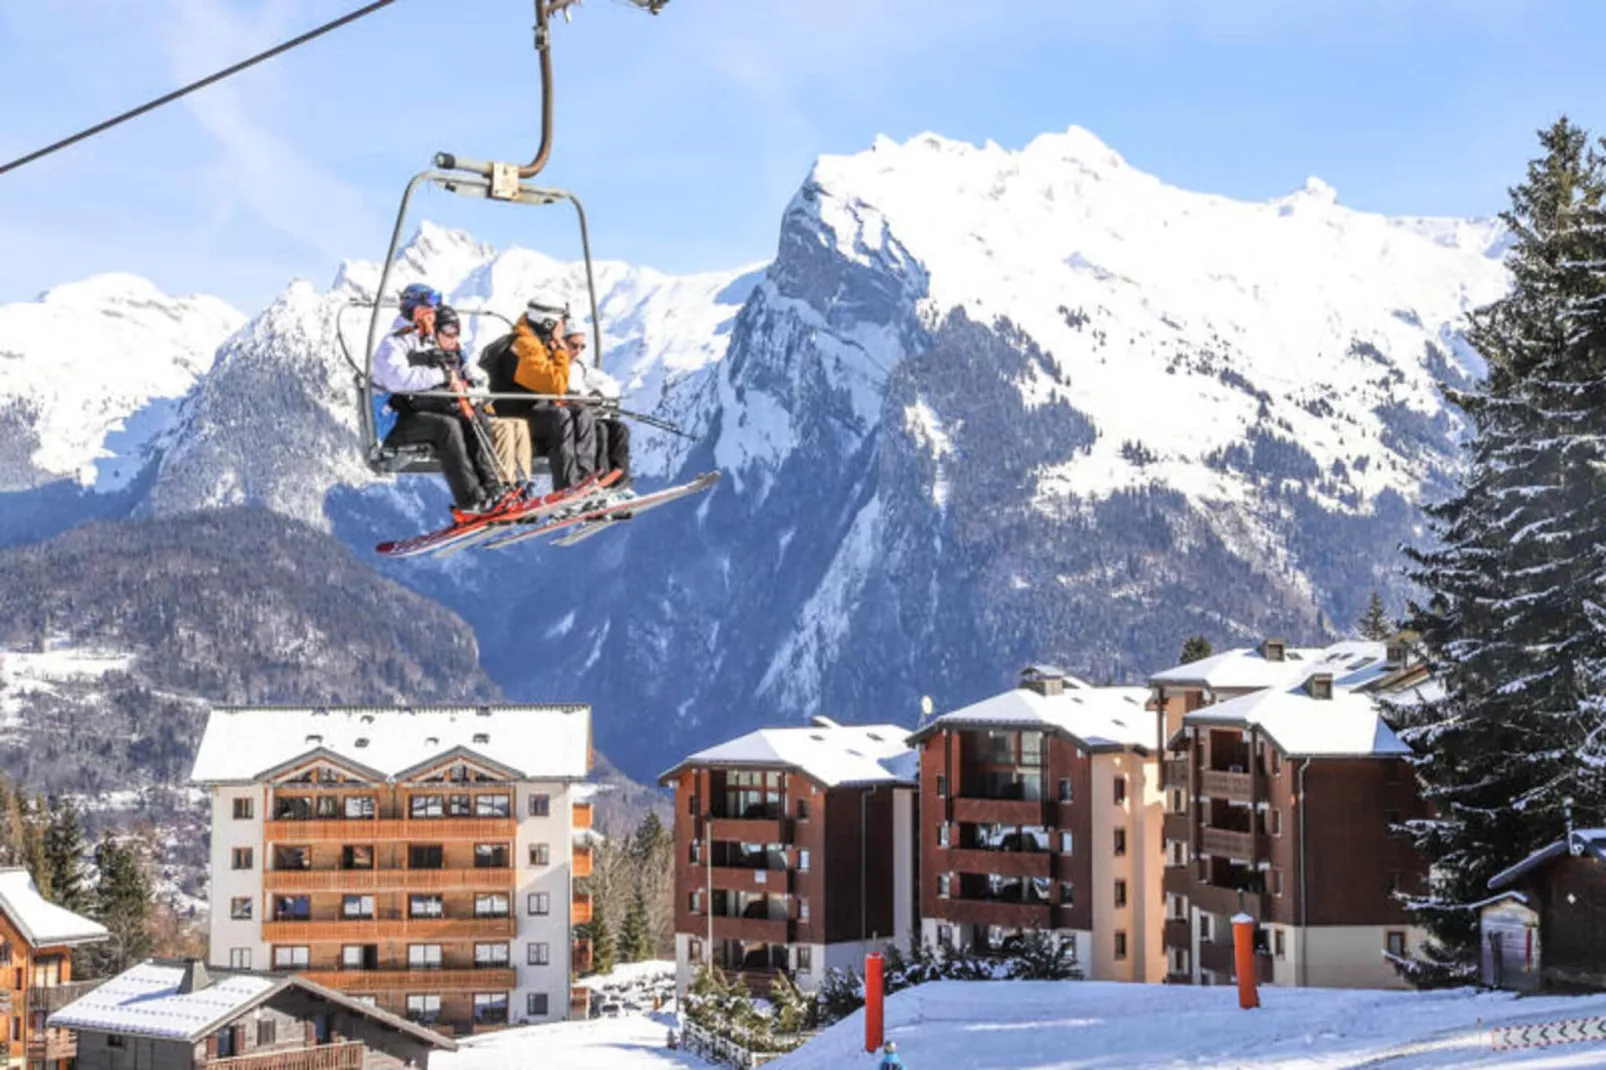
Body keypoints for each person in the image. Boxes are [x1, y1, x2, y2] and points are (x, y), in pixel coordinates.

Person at [373, 285, 501, 519]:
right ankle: (471, 500)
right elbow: (398, 380)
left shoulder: (427, 341)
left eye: (433, 310)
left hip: (421, 409)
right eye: (425, 310)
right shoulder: (393, 344)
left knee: (473, 417)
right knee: (446, 427)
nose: (430, 315)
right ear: (411, 310)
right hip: (395, 421)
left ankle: (493, 489)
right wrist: (441, 376)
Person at [482, 293, 596, 491]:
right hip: (515, 415)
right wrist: (561, 351)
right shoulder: (524, 346)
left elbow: (553, 385)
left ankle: (585, 483)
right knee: (561, 418)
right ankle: (567, 489)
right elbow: (553, 385)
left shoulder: (539, 344)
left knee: (585, 416)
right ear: (549, 322)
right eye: (562, 320)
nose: (563, 325)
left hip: (533, 411)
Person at [563, 328, 633, 494]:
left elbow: (608, 383)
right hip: (566, 420)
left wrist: (598, 395)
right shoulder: (554, 365)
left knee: (619, 429)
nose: (577, 351)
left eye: (582, 347)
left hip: (585, 417)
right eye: (573, 346)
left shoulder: (580, 368)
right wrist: (577, 399)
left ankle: (621, 483)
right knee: (599, 430)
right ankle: (600, 483)